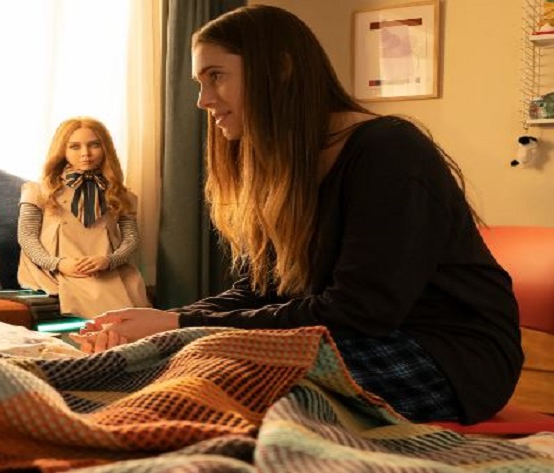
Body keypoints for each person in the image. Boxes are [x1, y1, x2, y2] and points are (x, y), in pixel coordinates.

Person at [72, 5, 523, 425]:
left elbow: (360, 311)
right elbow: (259, 290)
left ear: (280, 70)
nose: (203, 100)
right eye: (200, 82)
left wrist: (180, 325)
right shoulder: (287, 166)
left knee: (223, 377)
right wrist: (160, 326)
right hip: (353, 335)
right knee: (177, 359)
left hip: (447, 355)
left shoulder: (389, 151)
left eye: (216, 77)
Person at [17, 117, 150, 318]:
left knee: (133, 306)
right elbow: (27, 237)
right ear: (62, 150)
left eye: (94, 145)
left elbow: (131, 239)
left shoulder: (119, 194)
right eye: (75, 146)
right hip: (53, 268)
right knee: (111, 311)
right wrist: (57, 264)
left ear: (105, 148)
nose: (85, 153)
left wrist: (109, 261)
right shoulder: (37, 191)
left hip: (106, 268)